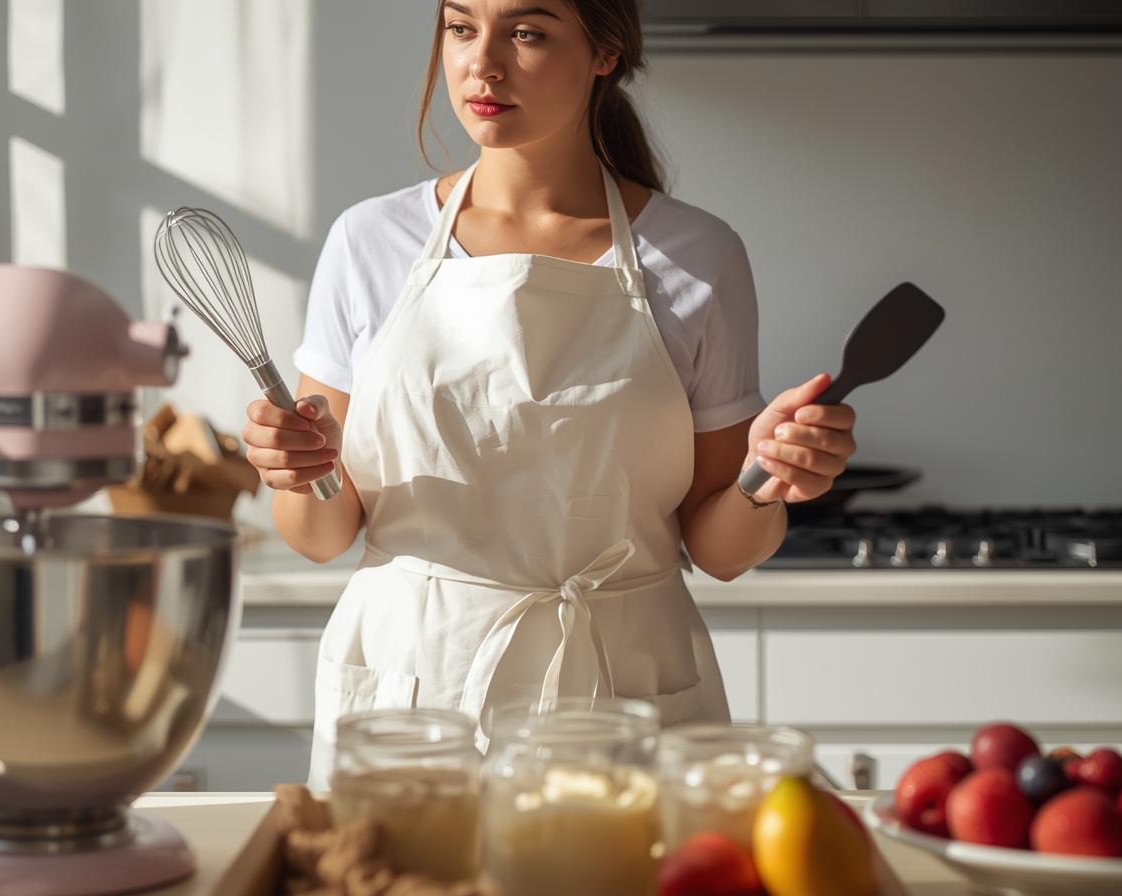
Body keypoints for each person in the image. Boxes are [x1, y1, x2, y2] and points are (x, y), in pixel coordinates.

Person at [242, 0, 858, 787]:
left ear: (605, 53)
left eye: (527, 33)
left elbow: (718, 549)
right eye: (461, 27)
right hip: (412, 687)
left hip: (619, 685)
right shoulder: (369, 242)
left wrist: (769, 475)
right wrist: (295, 471)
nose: (482, 64)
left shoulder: (698, 256)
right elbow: (322, 535)